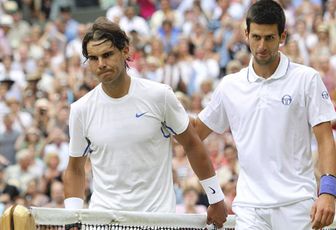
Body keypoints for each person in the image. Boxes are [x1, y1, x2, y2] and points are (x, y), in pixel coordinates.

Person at [63, 17, 227, 228]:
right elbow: (75, 169)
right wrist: (72, 217)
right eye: (93, 58)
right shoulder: (80, 109)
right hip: (104, 223)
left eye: (107, 54)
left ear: (125, 51)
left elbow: (192, 143)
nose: (101, 64)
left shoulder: (160, 96)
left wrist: (215, 197)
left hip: (157, 221)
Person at [193, 1, 336, 229]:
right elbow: (194, 133)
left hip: (297, 206)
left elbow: (326, 139)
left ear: (282, 36)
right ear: (246, 35)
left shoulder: (307, 79)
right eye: (256, 37)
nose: (261, 46)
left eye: (269, 38)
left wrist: (328, 192)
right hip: (250, 209)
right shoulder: (230, 85)